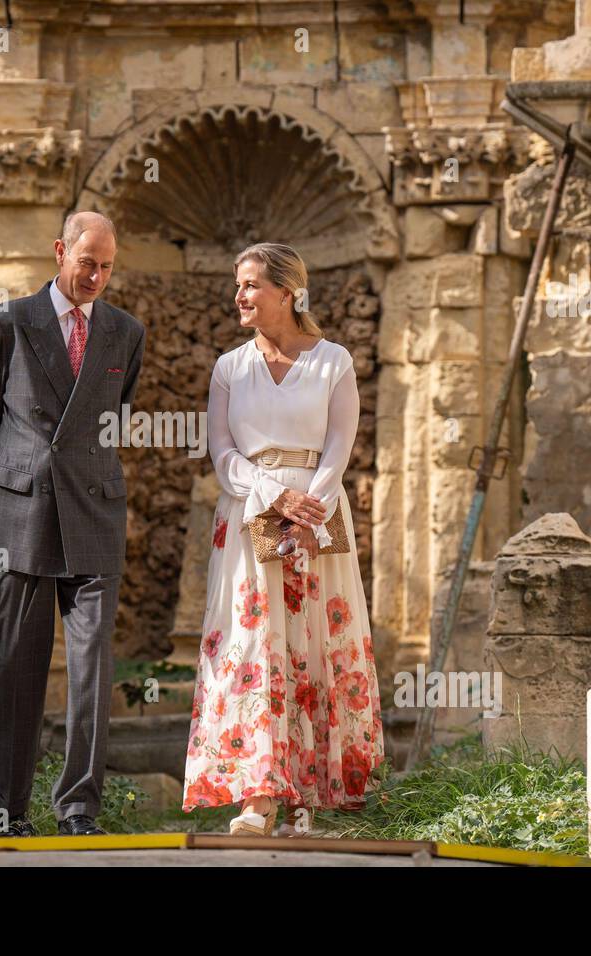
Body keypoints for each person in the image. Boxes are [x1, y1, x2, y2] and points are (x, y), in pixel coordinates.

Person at [181, 242, 384, 836]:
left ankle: (310, 800)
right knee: (250, 647)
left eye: (249, 285)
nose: (238, 296)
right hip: (249, 514)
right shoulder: (229, 367)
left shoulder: (334, 361)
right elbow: (222, 452)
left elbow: (341, 445)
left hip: (317, 516)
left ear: (287, 292)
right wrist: (274, 496)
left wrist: (309, 510)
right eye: (237, 285)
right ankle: (257, 796)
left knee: (315, 643)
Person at [0, 211, 146, 837]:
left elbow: (112, 421)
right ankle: (10, 811)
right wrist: (17, 479)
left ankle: (77, 810)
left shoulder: (126, 332)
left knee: (92, 663)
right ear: (60, 251)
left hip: (94, 508)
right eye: (87, 262)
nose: (96, 276)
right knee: (16, 659)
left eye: (107, 267)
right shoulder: (5, 322)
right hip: (21, 509)